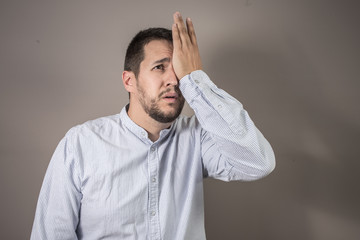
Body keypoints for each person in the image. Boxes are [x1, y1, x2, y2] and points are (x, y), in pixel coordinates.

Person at [31, 12, 275, 240]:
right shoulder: (80, 144)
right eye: (160, 67)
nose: (174, 80)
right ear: (129, 80)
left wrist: (195, 79)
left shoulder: (198, 138)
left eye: (180, 71)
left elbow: (258, 163)